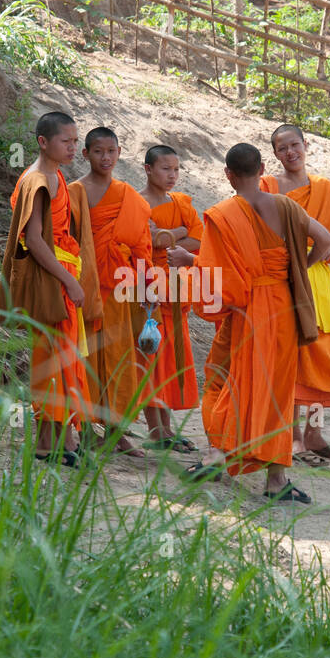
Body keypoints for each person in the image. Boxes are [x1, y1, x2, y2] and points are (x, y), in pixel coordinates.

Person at [190, 142, 330, 502]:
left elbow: (216, 275)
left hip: (246, 313)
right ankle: (276, 480)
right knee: (277, 391)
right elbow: (327, 242)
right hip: (283, 307)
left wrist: (186, 263)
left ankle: (216, 452)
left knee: (223, 378)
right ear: (262, 170)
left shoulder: (222, 213)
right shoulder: (285, 205)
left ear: (228, 174)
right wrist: (297, 270)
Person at [0, 111, 101, 467]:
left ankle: (62, 439)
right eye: (65, 141)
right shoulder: (38, 180)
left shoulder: (54, 176)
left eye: (75, 141)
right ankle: (45, 443)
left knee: (62, 359)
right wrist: (69, 281)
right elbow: (35, 240)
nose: (73, 147)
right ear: (43, 142)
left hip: (60, 275)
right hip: (52, 281)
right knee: (54, 360)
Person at [263, 123, 330, 465]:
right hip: (283, 278)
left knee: (322, 359)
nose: (290, 152)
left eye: (295, 145)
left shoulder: (324, 188)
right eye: (283, 148)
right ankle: (292, 437)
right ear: (275, 154)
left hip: (319, 283)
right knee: (291, 360)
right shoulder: (267, 186)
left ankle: (314, 432)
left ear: (306, 145)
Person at [72, 126, 154, 457]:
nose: (105, 158)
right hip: (85, 289)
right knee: (87, 358)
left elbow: (141, 247)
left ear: (120, 153)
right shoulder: (75, 192)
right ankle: (85, 428)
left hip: (122, 290)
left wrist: (148, 286)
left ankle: (117, 432)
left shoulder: (128, 196)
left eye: (111, 151)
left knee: (121, 359)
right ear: (85, 154)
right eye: (98, 152)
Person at [137, 145, 203, 452]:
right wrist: (178, 232)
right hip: (146, 289)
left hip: (176, 290)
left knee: (171, 359)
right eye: (166, 169)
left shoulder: (180, 202)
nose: (172, 175)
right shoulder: (136, 202)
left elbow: (199, 239)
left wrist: (166, 235)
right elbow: (143, 242)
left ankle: (165, 429)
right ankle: (155, 430)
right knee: (152, 357)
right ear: (149, 169)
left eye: (176, 169)